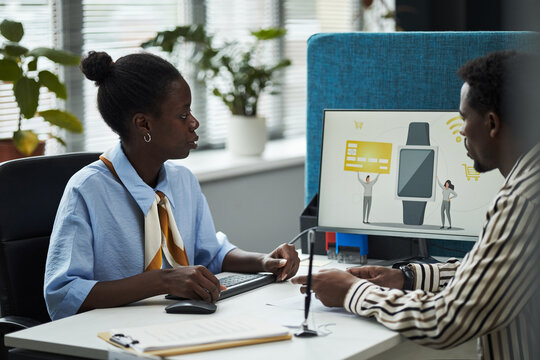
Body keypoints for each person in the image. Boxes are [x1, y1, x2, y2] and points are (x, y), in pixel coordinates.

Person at [292, 50, 540, 359]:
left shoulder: (521, 201)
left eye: (464, 118)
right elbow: (499, 271)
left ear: (491, 123)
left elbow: (447, 321)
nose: (460, 131)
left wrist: (352, 292)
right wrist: (408, 277)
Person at [44, 51, 300, 321]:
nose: (194, 123)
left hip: (179, 326)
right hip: (113, 335)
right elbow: (63, 294)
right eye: (182, 114)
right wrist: (163, 281)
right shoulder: (88, 190)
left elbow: (211, 254)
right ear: (144, 124)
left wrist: (263, 261)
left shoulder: (182, 181)